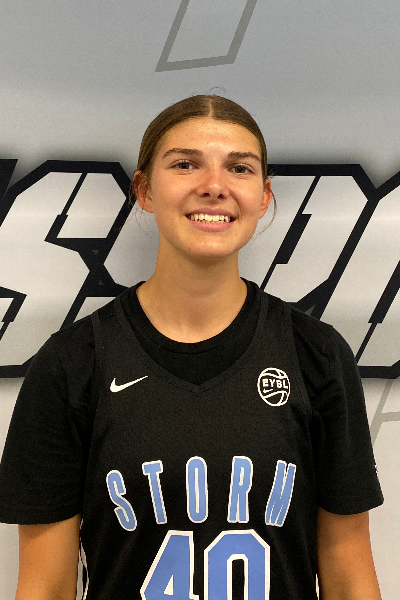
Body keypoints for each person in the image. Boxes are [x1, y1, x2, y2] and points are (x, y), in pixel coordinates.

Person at [0, 95, 383, 600]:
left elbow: (349, 575)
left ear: (263, 196)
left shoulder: (318, 355)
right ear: (144, 189)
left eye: (239, 168)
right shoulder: (72, 364)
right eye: (185, 164)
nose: (214, 186)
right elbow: (45, 587)